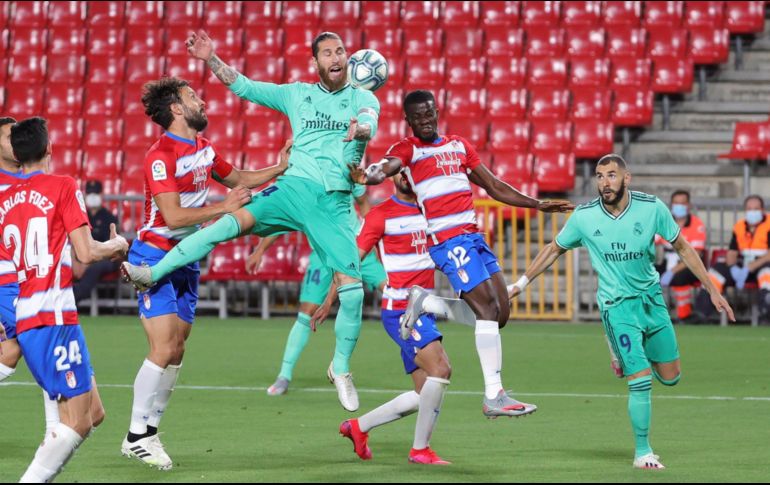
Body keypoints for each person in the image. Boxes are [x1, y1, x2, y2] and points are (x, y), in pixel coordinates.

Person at [121, 31, 380, 412]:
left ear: (349, 58)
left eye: (340, 50)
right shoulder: (297, 94)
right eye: (326, 53)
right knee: (228, 222)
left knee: (353, 293)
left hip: (335, 203)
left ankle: (340, 367)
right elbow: (243, 87)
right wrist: (211, 58)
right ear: (316, 63)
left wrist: (361, 131)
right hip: (294, 188)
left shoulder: (363, 97)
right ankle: (152, 272)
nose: (335, 56)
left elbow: (370, 122)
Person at [348, 90, 572, 418]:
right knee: (485, 311)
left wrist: (536, 204)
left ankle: (427, 303)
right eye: (418, 117)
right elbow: (385, 167)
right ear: (408, 121)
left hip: (473, 238)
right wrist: (368, 175)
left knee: (501, 313)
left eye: (430, 114)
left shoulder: (459, 146)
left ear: (437, 112)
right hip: (449, 242)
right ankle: (494, 395)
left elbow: (494, 186)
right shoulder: (408, 150)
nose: (426, 121)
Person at [508, 154, 734, 469]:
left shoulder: (652, 207)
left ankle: (623, 354)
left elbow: (682, 246)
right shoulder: (585, 216)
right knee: (640, 380)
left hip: (652, 302)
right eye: (599, 176)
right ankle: (643, 452)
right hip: (616, 307)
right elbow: (553, 248)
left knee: (671, 377)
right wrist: (520, 284)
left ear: (627, 178)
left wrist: (711, 288)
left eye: (612, 175)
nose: (605, 183)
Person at [120, 77, 290, 470]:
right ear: (177, 110)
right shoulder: (160, 155)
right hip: (156, 257)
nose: (202, 101)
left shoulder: (204, 148)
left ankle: (150, 430)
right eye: (193, 96)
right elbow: (174, 216)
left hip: (187, 257)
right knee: (162, 348)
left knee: (177, 349)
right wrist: (224, 209)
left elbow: (241, 179)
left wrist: (281, 166)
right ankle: (135, 434)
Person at [315, 173, 473, 465]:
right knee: (441, 368)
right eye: (399, 171)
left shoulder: (432, 212)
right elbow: (350, 260)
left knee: (423, 391)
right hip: (401, 311)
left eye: (410, 170)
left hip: (425, 308)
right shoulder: (381, 216)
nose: (405, 176)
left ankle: (358, 428)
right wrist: (329, 300)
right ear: (392, 178)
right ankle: (420, 450)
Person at [3, 117, 128, 483]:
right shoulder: (62, 185)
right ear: (49, 149)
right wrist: (117, 245)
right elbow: (86, 254)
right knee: (77, 421)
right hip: (52, 317)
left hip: (29, 314)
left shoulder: (4, 198)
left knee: (93, 414)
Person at [247, 187, 387, 400]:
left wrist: (372, 237)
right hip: (323, 257)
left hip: (358, 250)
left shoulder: (344, 170)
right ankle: (284, 376)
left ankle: (421, 352)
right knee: (306, 312)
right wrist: (260, 250)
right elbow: (282, 221)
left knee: (394, 291)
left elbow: (364, 202)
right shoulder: (304, 181)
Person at [0, 116, 62, 436]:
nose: (14, 139)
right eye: (7, 135)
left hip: (28, 282)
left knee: (13, 351)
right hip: (5, 283)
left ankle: (54, 432)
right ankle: (54, 433)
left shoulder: (29, 183)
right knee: (44, 344)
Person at [695, 195, 770, 321]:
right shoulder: (739, 226)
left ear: (762, 210)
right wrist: (733, 267)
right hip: (743, 263)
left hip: (763, 263)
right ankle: (702, 313)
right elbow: (732, 251)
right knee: (715, 272)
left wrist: (750, 267)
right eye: (749, 209)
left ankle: (766, 314)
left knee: (767, 274)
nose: (752, 212)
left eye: (756, 209)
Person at [654, 190, 707, 322]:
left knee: (680, 277)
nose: (679, 206)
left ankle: (684, 315)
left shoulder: (697, 224)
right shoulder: (664, 221)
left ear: (688, 205)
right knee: (644, 274)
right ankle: (649, 315)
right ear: (671, 205)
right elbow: (651, 241)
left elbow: (697, 254)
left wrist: (672, 271)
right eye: (676, 203)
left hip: (690, 264)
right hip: (668, 260)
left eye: (682, 203)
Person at [72, 180, 120, 304]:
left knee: (94, 268)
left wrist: (86, 263)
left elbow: (111, 248)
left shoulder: (109, 218)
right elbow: (73, 240)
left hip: (105, 258)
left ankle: (72, 297)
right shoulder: (81, 215)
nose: (92, 196)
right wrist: (73, 261)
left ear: (101, 194)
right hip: (82, 257)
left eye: (95, 193)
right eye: (89, 193)